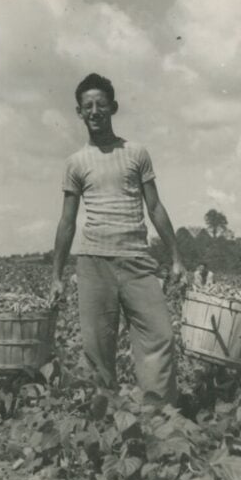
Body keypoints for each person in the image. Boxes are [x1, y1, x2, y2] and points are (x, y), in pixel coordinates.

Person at [49, 73, 185, 405]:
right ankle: (106, 421)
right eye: (87, 106)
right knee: (98, 348)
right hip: (94, 262)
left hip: (137, 259)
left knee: (160, 335)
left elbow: (154, 206)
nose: (94, 111)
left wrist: (177, 257)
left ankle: (157, 416)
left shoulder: (136, 153)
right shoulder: (76, 162)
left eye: (101, 104)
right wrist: (56, 275)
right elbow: (67, 221)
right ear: (79, 113)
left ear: (113, 107)